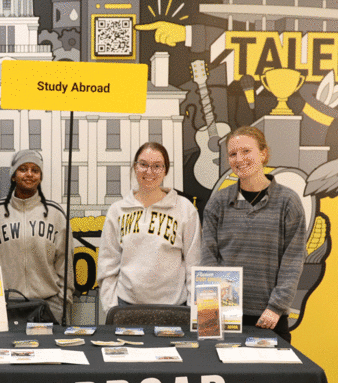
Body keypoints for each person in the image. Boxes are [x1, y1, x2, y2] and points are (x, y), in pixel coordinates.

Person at [201, 126, 305, 343]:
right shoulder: (218, 203)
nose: (239, 159)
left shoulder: (288, 202)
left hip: (270, 318)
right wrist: (212, 313)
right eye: (232, 154)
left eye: (246, 151)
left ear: (264, 154)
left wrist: (276, 308)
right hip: (226, 318)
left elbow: (292, 260)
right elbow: (209, 260)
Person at [97, 142, 201, 312]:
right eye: (143, 164)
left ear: (165, 170)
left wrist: (192, 310)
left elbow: (194, 264)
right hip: (126, 307)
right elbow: (107, 265)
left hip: (174, 308)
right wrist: (111, 308)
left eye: (157, 166)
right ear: (135, 167)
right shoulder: (117, 211)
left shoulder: (184, 208)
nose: (149, 171)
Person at [0, 149, 74, 323]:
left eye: (35, 170)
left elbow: (65, 264)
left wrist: (62, 301)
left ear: (40, 176)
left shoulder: (55, 214)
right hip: (5, 305)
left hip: (47, 304)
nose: (29, 174)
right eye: (23, 169)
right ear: (13, 175)